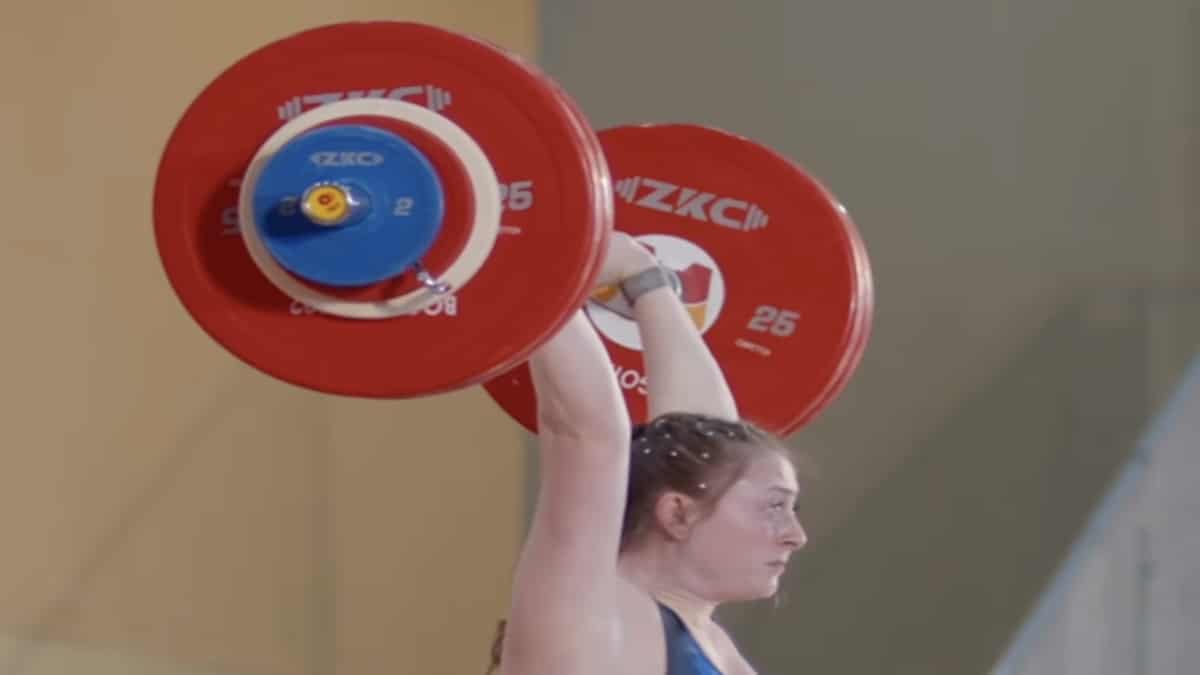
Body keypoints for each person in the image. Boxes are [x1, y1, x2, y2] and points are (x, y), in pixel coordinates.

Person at [488, 233, 808, 675]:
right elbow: (587, 438)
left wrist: (646, 282)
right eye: (775, 506)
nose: (796, 536)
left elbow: (708, 444)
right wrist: (539, 267)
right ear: (677, 513)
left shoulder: (714, 647)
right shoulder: (591, 621)